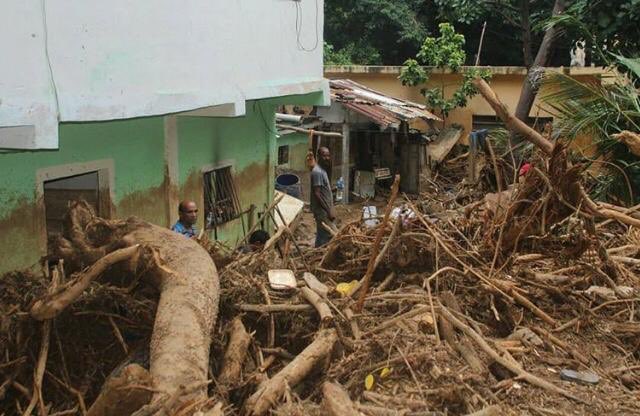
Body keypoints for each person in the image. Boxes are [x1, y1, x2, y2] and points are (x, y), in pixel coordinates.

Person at [310, 146, 338, 247]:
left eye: (328, 155)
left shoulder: (322, 170)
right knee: (335, 234)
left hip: (324, 209)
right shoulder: (317, 172)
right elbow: (317, 193)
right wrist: (328, 210)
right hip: (322, 211)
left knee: (322, 235)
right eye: (324, 156)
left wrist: (331, 190)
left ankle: (317, 254)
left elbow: (322, 190)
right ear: (318, 156)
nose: (327, 158)